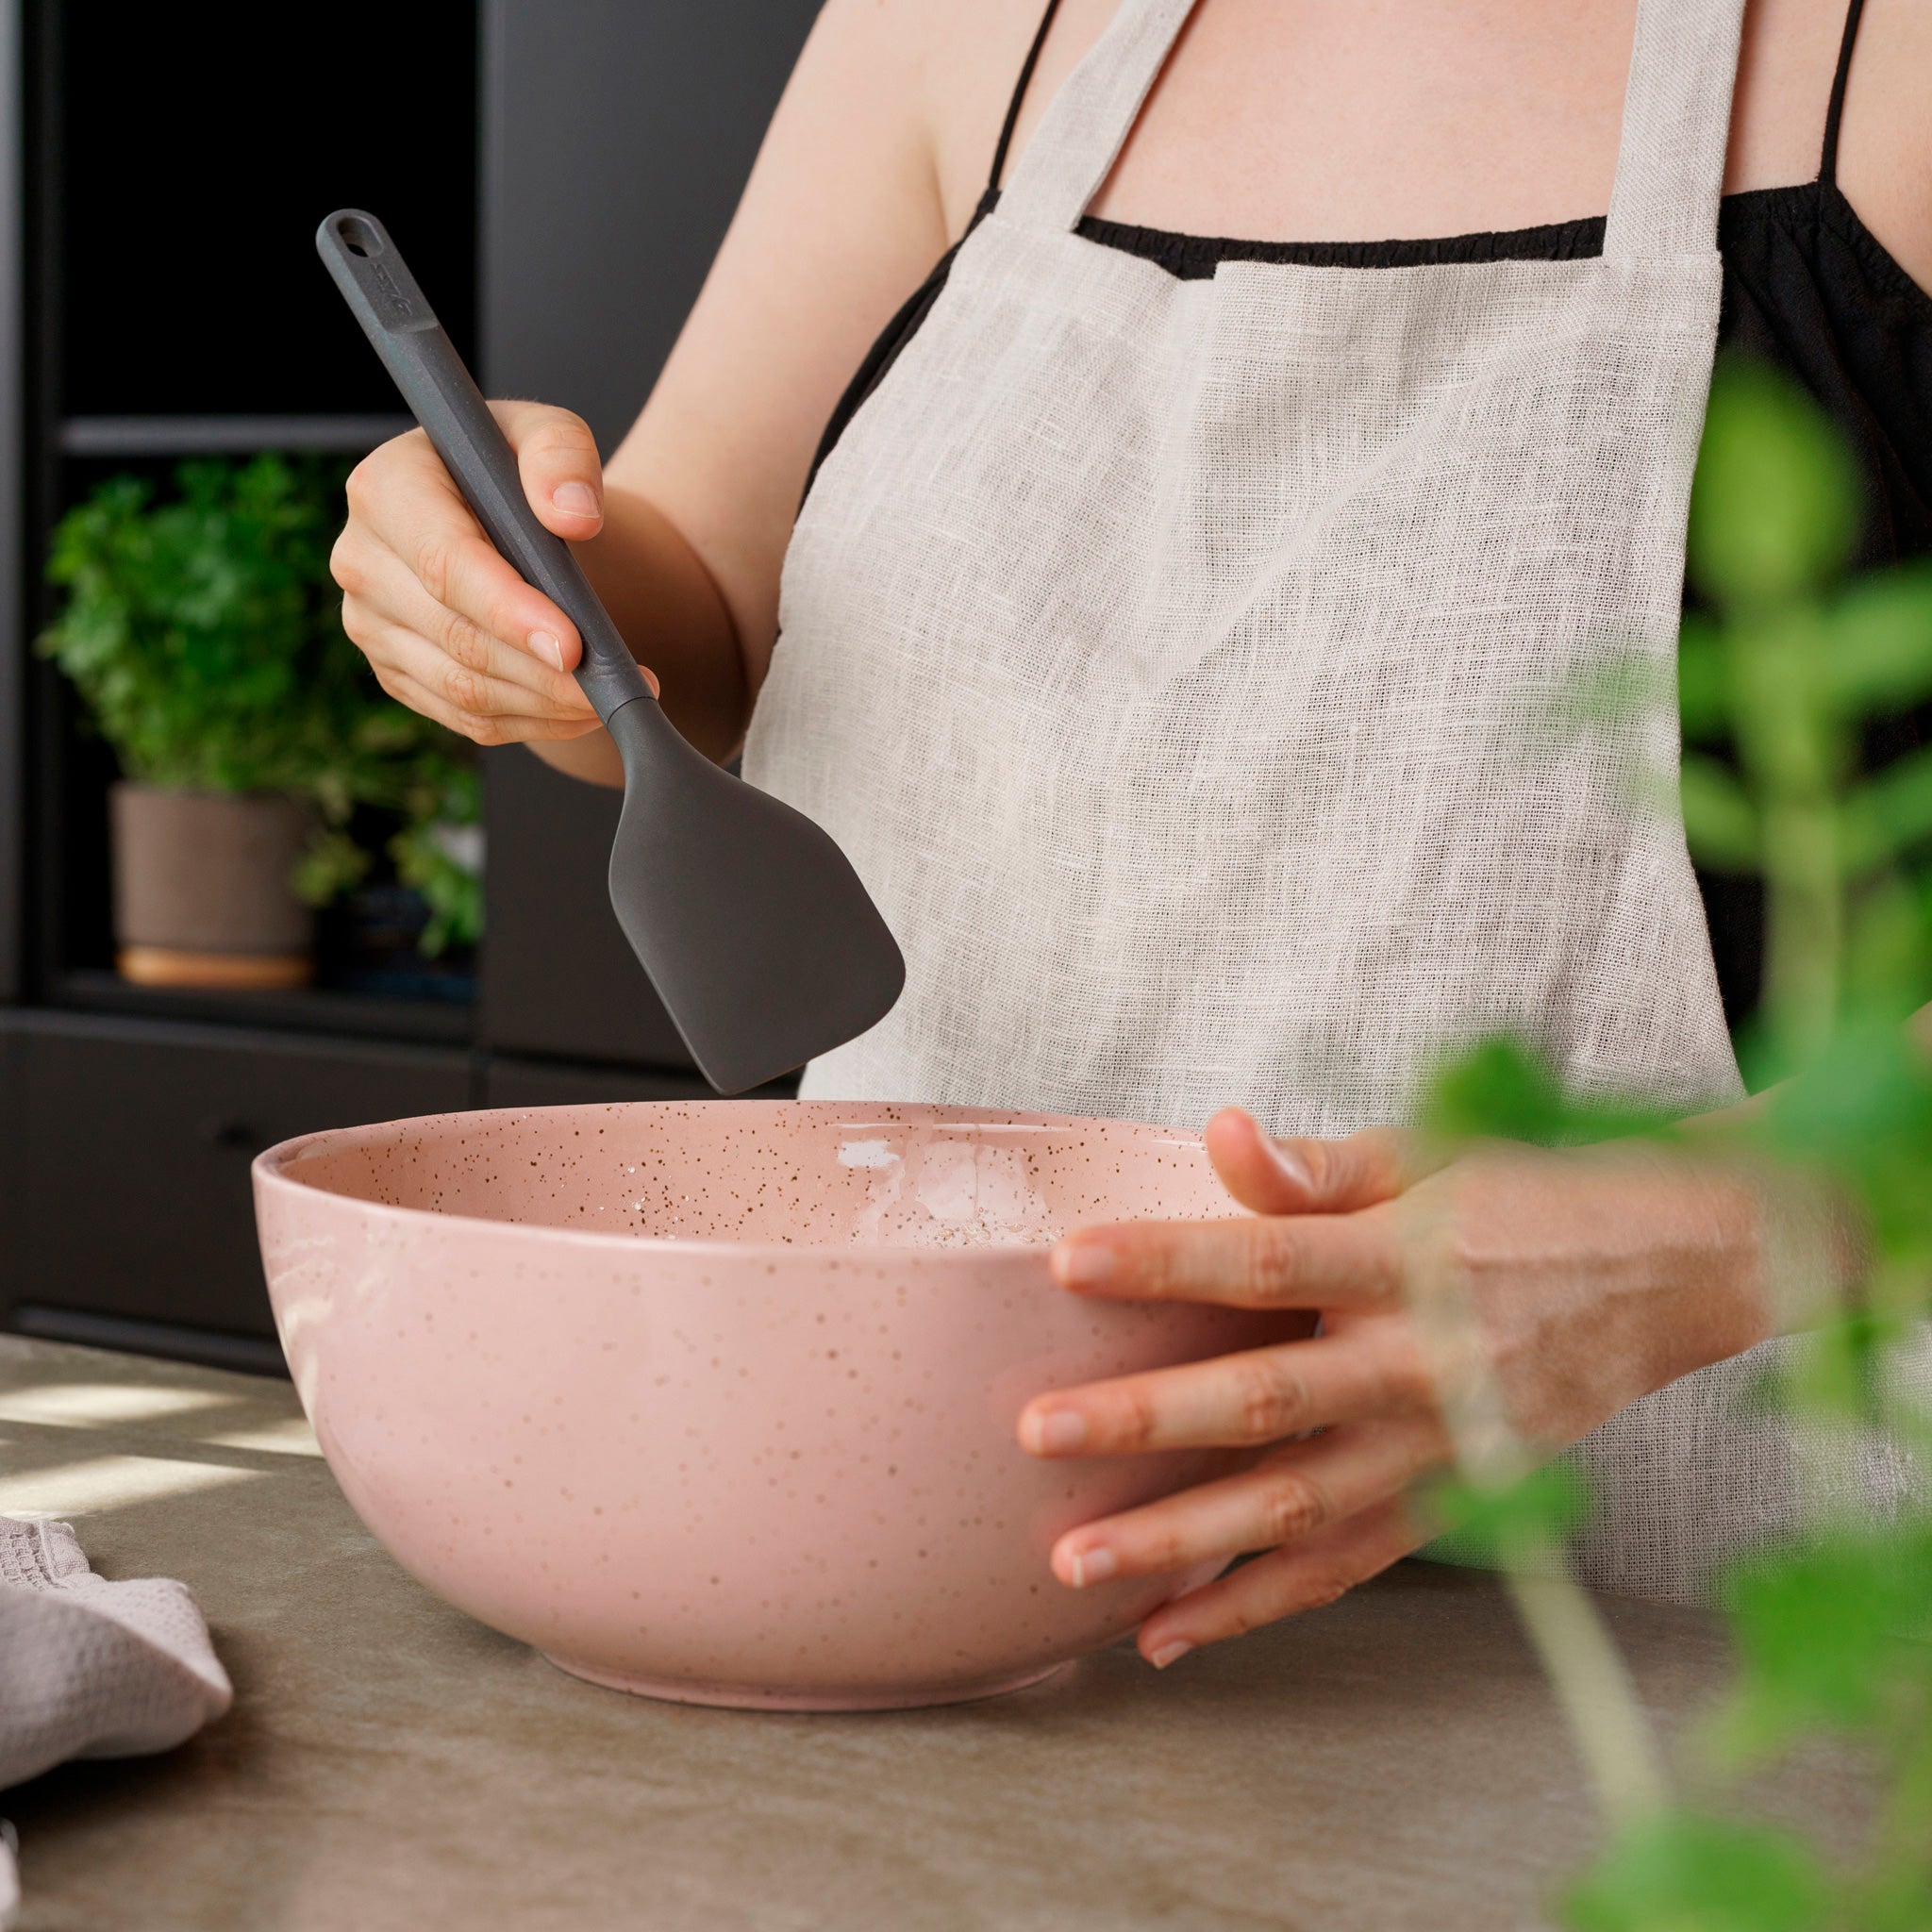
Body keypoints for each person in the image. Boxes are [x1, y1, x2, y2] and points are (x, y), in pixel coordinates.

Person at [330, 0, 1931, 1671]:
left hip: (1714, 1649)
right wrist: (518, 608)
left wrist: (1712, 1232)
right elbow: (711, 628)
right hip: (939, 1583)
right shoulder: (951, 26)